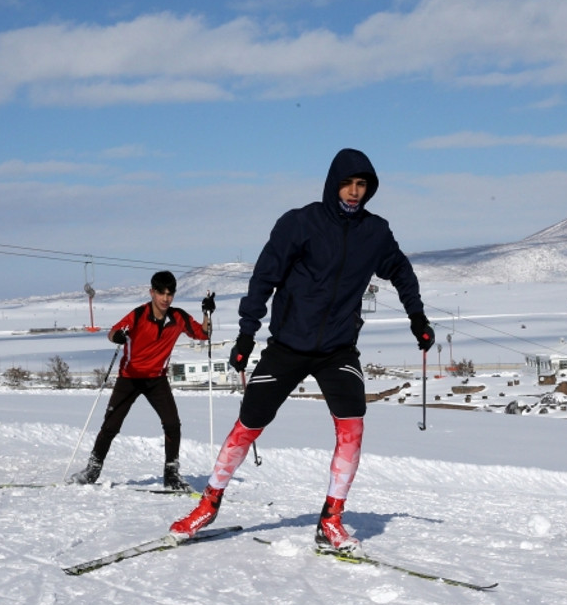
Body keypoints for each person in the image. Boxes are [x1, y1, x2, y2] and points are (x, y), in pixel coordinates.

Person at [167, 148, 434, 555]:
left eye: (362, 185)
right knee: (248, 425)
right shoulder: (299, 223)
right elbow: (264, 279)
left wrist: (417, 317)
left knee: (352, 426)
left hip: (338, 349)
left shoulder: (375, 232)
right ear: (332, 184)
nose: (354, 191)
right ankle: (208, 504)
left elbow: (400, 270)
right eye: (347, 183)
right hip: (288, 346)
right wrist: (246, 335)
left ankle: (331, 519)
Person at [68, 271, 213, 491]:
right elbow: (114, 332)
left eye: (170, 294)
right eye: (161, 293)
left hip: (157, 379)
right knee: (111, 425)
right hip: (130, 378)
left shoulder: (178, 318)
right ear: (152, 292)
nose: (165, 298)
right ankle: (92, 470)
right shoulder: (138, 315)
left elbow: (203, 334)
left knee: (172, 424)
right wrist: (117, 336)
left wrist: (207, 313)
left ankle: (171, 475)